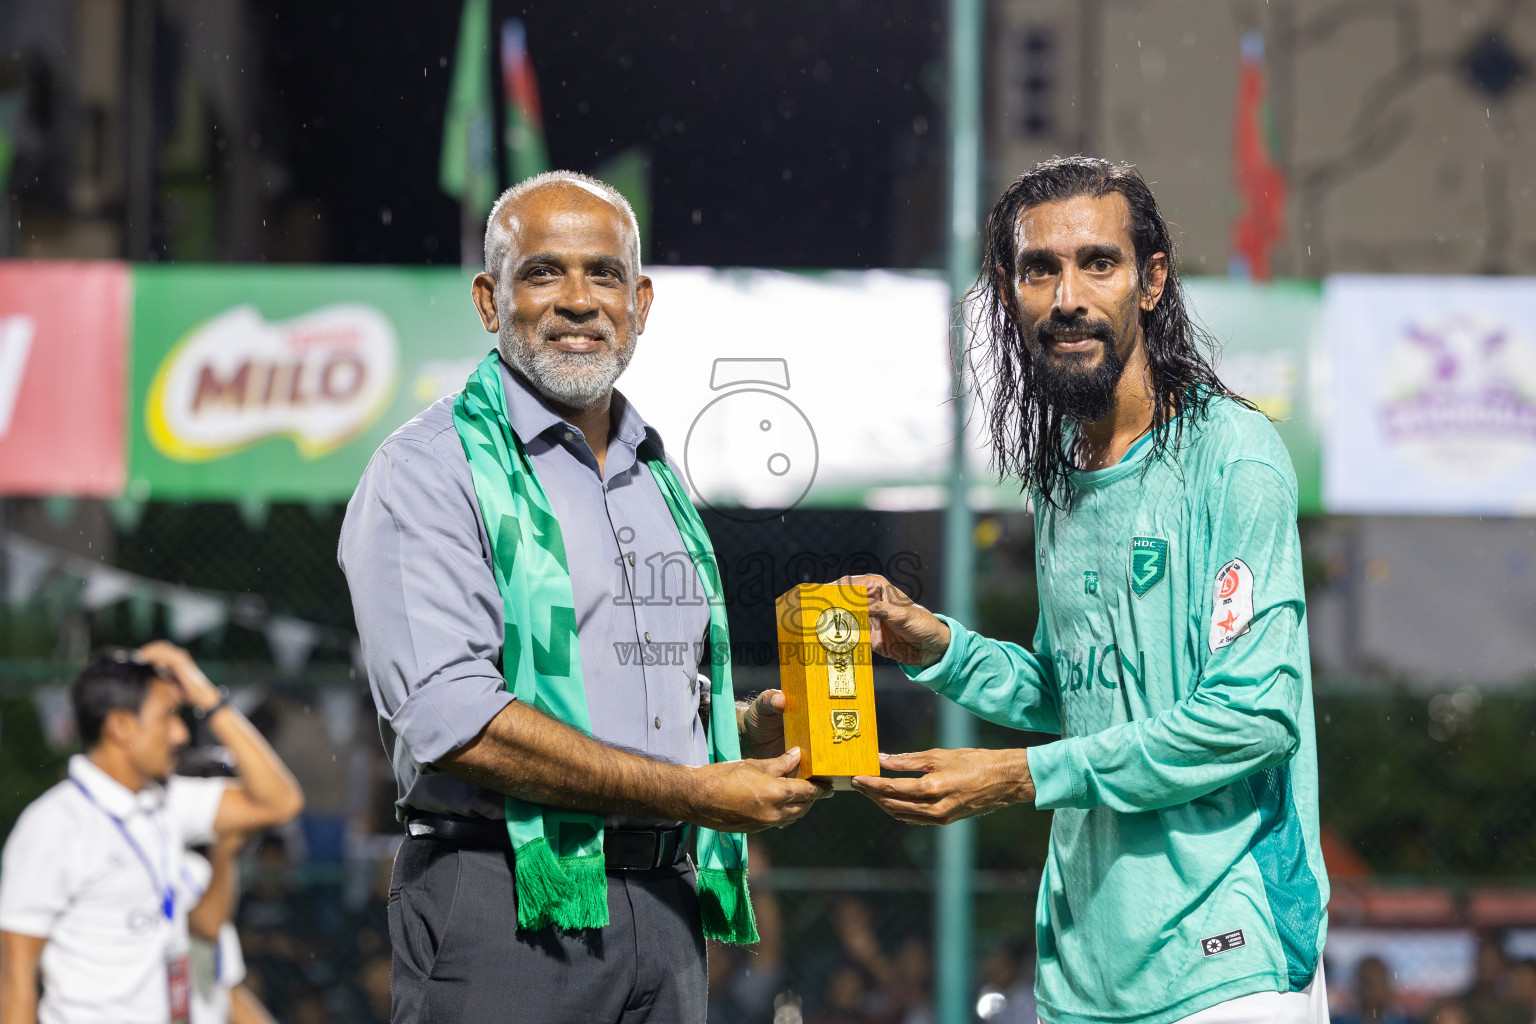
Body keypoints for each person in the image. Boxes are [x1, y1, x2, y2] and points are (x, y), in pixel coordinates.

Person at [841, 157, 1329, 1024]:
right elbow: (1083, 695)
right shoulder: (1060, 473)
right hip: (1085, 972)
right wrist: (937, 647)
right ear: (1010, 291)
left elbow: (1255, 718)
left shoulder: (1235, 456)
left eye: (1098, 262)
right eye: (1041, 269)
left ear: (1151, 281)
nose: (1068, 295)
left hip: (1230, 960)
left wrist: (1019, 779)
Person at [339, 170, 828, 1024]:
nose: (577, 300)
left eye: (603, 274)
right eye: (542, 273)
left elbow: (638, 697)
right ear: (491, 301)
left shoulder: (655, 477)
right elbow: (453, 719)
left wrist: (742, 729)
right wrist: (694, 793)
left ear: (639, 302)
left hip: (667, 910)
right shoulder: (428, 470)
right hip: (501, 904)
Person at [0, 643, 305, 1024]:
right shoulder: (55, 825)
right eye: (168, 717)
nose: (180, 735)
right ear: (121, 726)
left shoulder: (165, 803)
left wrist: (205, 696)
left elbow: (280, 801)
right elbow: (15, 979)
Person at [1333, 956, 1412, 1024]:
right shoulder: (1337, 1020)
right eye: (1366, 983)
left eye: (1375, 983)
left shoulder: (1406, 1021)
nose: (1370, 991)